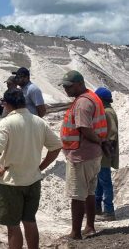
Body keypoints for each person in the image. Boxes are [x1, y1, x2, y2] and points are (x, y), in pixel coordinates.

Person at [0, 89, 62, 249]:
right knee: (30, 221)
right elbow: (56, 146)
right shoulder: (39, 122)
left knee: (13, 226)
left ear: (6, 104)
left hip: (10, 184)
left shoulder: (6, 123)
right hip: (33, 181)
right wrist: (41, 167)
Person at [59, 70, 107, 239]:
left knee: (77, 195)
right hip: (92, 154)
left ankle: (76, 232)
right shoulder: (92, 97)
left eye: (69, 86)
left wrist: (98, 141)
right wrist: (99, 142)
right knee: (89, 192)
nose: (66, 89)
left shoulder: (82, 103)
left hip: (81, 155)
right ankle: (90, 227)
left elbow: (84, 128)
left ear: (79, 84)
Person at [94, 87, 119, 221]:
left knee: (105, 181)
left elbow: (112, 135)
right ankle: (97, 208)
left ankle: (109, 211)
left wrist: (107, 149)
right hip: (101, 151)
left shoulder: (108, 112)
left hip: (105, 152)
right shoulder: (105, 111)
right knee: (99, 181)